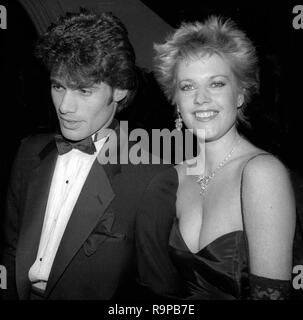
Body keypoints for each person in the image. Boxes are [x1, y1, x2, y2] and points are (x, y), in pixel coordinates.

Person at [1, 10, 167, 300]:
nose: (65, 106)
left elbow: (157, 289)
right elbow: (12, 247)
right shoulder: (29, 151)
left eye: (84, 91)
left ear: (119, 90)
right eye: (58, 86)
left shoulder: (151, 177)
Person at [136, 16, 296, 299]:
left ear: (240, 94)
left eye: (217, 84)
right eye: (187, 87)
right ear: (175, 101)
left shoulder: (261, 173)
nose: (200, 98)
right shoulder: (175, 177)